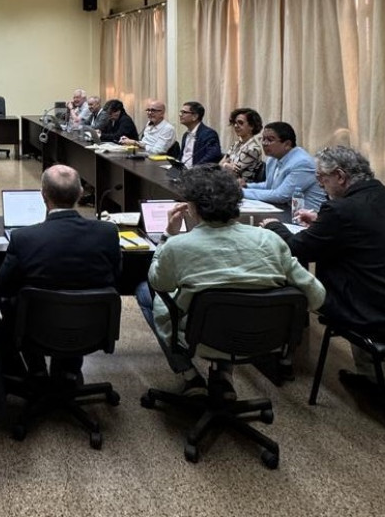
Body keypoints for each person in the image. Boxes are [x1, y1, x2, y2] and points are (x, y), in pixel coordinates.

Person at [136, 165, 325, 398]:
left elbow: (159, 283)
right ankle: (223, 377)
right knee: (232, 300)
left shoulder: (178, 246)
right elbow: (316, 296)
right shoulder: (270, 240)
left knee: (146, 291)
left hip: (204, 338)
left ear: (192, 208)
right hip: (266, 337)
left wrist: (168, 235)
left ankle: (189, 374)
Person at [262, 146, 385, 384]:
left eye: (321, 179)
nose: (320, 186)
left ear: (340, 176)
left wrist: (274, 225)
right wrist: (322, 222)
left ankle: (281, 352)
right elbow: (369, 230)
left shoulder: (341, 210)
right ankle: (374, 374)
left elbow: (298, 248)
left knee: (296, 277)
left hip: (371, 312)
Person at [0, 164, 121, 383]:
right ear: (81, 193)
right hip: (90, 329)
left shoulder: (24, 238)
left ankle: (36, 369)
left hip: (35, 330)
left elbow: (3, 285)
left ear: (43, 195)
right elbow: (116, 276)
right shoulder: (108, 233)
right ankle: (70, 371)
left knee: (9, 301)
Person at [242, 121, 326, 211]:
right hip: (282, 210)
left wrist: (240, 192)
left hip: (305, 218)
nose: (264, 143)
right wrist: (246, 186)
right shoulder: (273, 158)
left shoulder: (302, 163)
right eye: (263, 139)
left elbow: (281, 196)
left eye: (270, 140)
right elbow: (269, 186)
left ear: (287, 144)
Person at [220, 108, 264, 182]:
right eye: (235, 123)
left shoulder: (253, 149)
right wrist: (226, 165)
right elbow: (220, 164)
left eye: (240, 123)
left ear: (251, 126)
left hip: (241, 187)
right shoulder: (236, 144)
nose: (236, 126)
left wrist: (225, 164)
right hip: (227, 182)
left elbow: (233, 172)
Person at [177, 101, 222, 168]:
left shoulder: (208, 133)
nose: (180, 115)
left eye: (184, 112)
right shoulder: (186, 135)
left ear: (195, 116)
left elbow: (213, 155)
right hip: (182, 172)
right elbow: (182, 156)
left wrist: (195, 169)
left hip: (198, 174)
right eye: (181, 112)